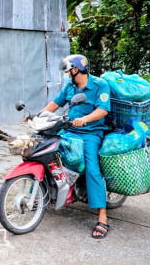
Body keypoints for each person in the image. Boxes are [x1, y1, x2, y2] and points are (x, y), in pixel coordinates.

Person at [35, 54, 111, 239]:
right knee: (46, 151)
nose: (67, 74)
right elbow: (55, 104)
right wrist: (38, 116)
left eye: (68, 71)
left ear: (76, 69)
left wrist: (84, 119)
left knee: (92, 169)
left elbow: (103, 109)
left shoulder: (100, 85)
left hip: (91, 133)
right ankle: (41, 195)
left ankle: (103, 217)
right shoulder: (70, 87)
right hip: (69, 131)